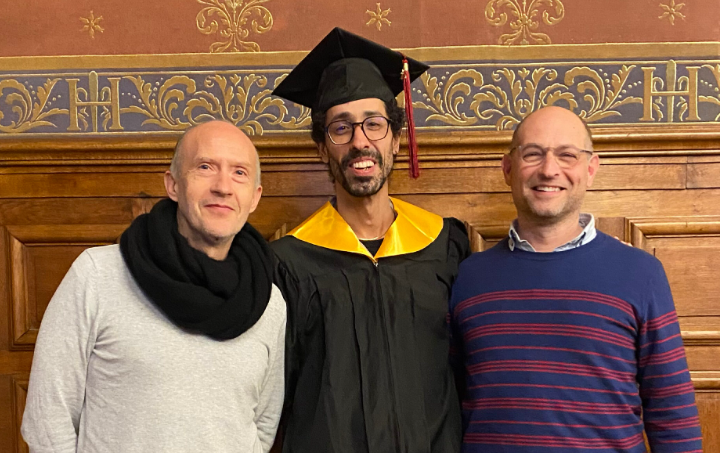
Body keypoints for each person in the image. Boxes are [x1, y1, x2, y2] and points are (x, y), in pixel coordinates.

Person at [21, 120, 286, 453]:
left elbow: (262, 426)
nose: (223, 186)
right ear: (173, 185)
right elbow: (47, 420)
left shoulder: (269, 303)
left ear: (255, 197)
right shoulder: (97, 276)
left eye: (239, 173)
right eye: (205, 167)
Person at [450, 106, 702, 452]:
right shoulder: (468, 277)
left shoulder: (640, 273)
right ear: (508, 169)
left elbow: (672, 414)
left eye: (567, 155)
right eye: (532, 154)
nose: (549, 169)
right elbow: (446, 403)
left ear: (590, 168)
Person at [270, 28, 470, 453]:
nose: (360, 141)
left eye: (374, 125)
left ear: (396, 140)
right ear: (322, 149)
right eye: (340, 128)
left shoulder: (444, 246)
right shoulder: (288, 265)